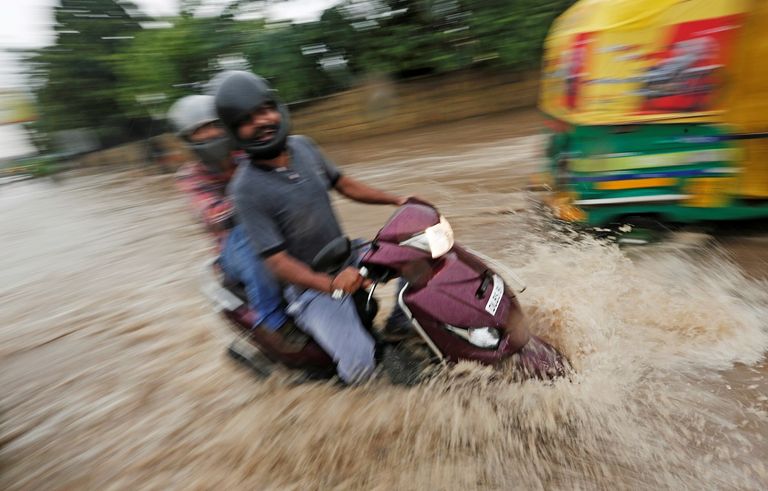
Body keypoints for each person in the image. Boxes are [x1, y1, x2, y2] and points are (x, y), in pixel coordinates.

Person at [215, 71, 407, 384]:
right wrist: (330, 284)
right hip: (310, 288)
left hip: (348, 255)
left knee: (417, 251)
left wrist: (399, 200)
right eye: (247, 120)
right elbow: (276, 261)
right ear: (236, 132)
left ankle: (400, 326)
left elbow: (343, 184)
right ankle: (332, 382)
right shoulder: (245, 189)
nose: (262, 121)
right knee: (361, 368)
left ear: (277, 108)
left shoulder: (304, 147)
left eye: (265, 110)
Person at [168, 95, 296, 347]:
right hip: (235, 248)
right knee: (249, 238)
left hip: (273, 229)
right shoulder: (191, 177)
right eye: (200, 130)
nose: (210, 133)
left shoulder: (248, 155)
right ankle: (274, 322)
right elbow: (214, 214)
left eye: (214, 125)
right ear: (188, 140)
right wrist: (258, 201)